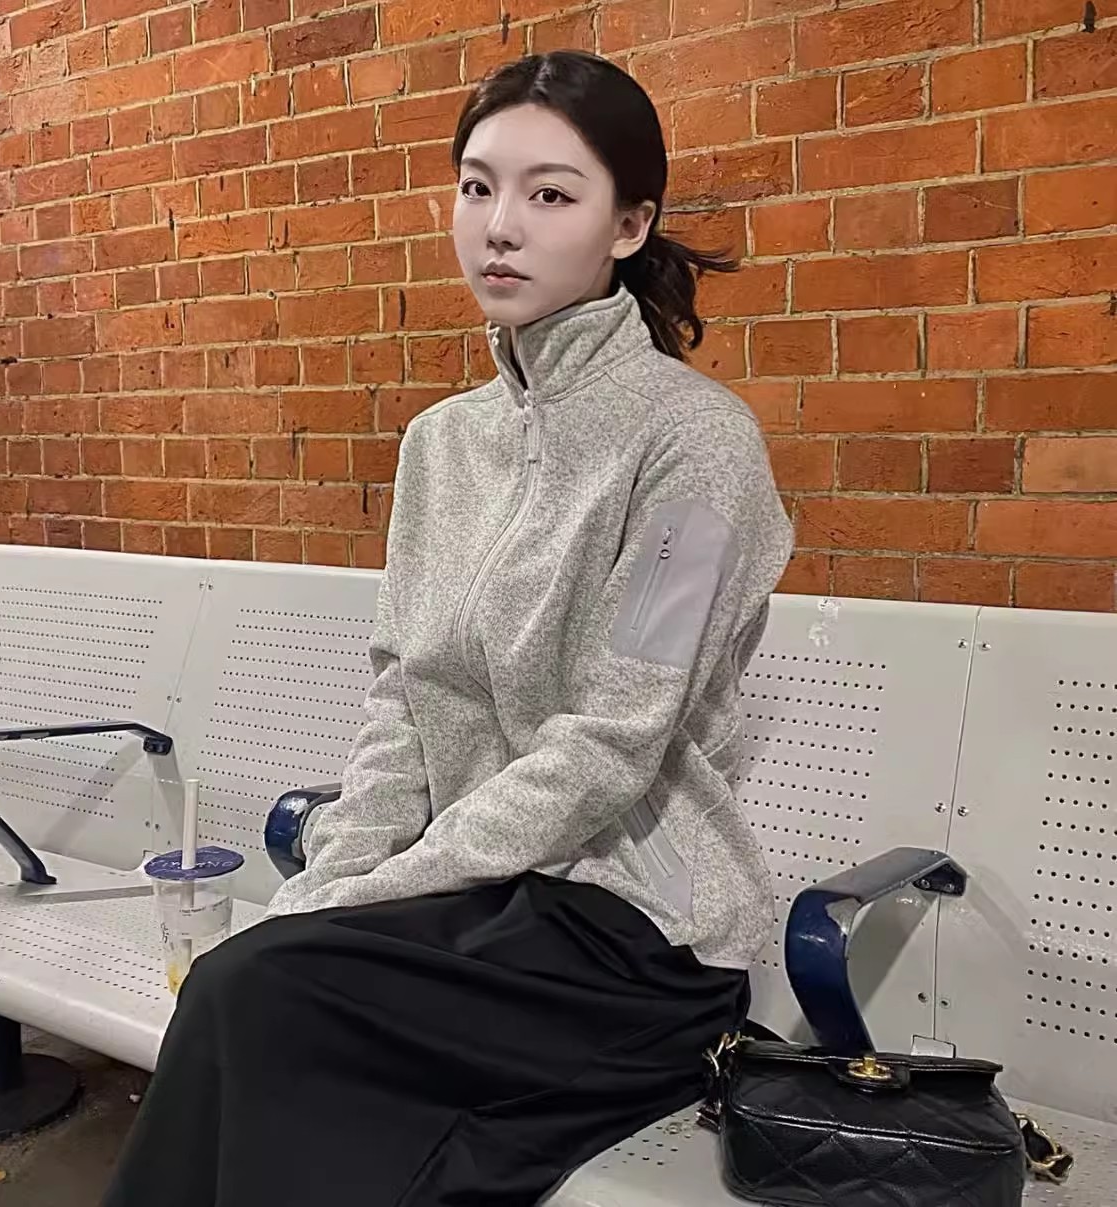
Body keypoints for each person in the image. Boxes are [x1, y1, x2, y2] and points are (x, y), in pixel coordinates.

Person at [103, 49, 793, 1207]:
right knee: (254, 989)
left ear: (629, 225)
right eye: (477, 187)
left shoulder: (697, 446)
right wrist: (334, 879)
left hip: (631, 933)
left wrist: (381, 891)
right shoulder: (441, 445)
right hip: (473, 906)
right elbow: (403, 701)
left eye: (550, 193)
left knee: (255, 1000)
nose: (499, 227)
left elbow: (611, 742)